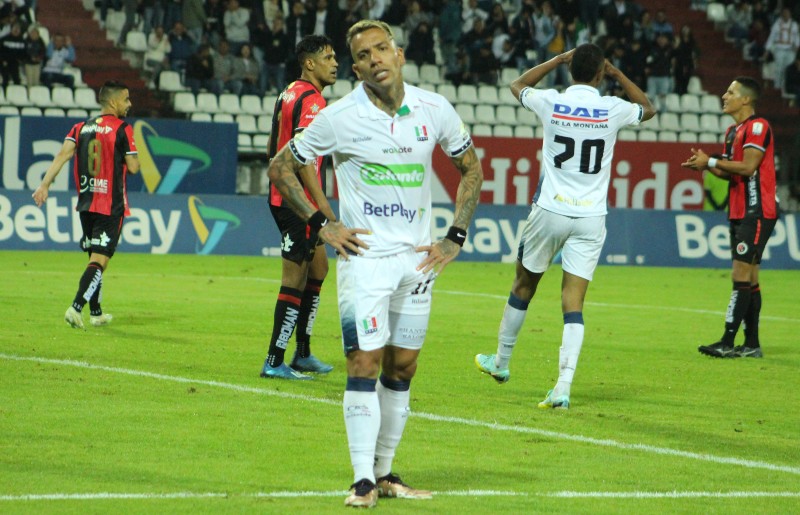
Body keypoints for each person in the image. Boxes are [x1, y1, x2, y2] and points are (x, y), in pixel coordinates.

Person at [265, 20, 483, 507]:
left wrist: (455, 236)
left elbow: (471, 168)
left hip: (418, 262)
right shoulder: (339, 117)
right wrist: (323, 225)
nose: (374, 59)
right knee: (363, 361)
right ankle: (362, 479)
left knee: (403, 367)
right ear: (357, 69)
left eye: (381, 48)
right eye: (363, 55)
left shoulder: (435, 109)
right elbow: (281, 167)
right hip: (365, 262)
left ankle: (385, 473)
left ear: (399, 54)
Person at [474, 43, 655, 409]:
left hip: (550, 210)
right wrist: (618, 74)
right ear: (601, 73)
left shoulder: (552, 102)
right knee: (573, 303)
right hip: (591, 216)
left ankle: (501, 362)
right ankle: (563, 386)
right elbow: (648, 109)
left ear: (569, 69)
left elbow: (517, 85)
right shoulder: (612, 108)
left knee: (524, 285)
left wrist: (555, 59)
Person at [259, 35, 339, 381]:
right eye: (328, 57)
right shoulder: (313, 100)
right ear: (310, 63)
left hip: (286, 196)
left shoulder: (288, 92)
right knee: (295, 278)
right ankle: (274, 360)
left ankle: (302, 353)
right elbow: (304, 159)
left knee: (319, 268)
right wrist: (325, 211)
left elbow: (272, 144)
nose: (335, 63)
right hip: (298, 203)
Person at [681, 76, 779, 359]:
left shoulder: (758, 126)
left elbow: (748, 167)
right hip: (739, 211)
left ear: (745, 99)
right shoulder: (732, 131)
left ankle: (726, 341)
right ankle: (751, 344)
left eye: (730, 92)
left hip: (756, 211)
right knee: (750, 277)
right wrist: (706, 165)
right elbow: (729, 172)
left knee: (740, 274)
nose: (724, 96)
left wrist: (711, 161)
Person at [31, 81, 139, 329]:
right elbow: (133, 167)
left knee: (95, 258)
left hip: (86, 204)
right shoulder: (123, 129)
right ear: (113, 101)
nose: (129, 104)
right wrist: (129, 155)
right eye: (126, 99)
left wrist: (44, 185)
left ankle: (96, 312)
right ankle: (76, 307)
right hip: (110, 205)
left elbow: (62, 155)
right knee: (100, 261)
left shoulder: (80, 127)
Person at [764, 8, 799, 92]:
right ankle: (777, 85)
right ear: (782, 14)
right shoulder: (777, 24)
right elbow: (771, 37)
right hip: (779, 49)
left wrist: (797, 47)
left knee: (788, 69)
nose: (786, 15)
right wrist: (767, 50)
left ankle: (785, 86)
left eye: (788, 13)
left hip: (790, 50)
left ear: (790, 14)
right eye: (785, 13)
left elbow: (796, 37)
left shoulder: (794, 25)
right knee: (779, 68)